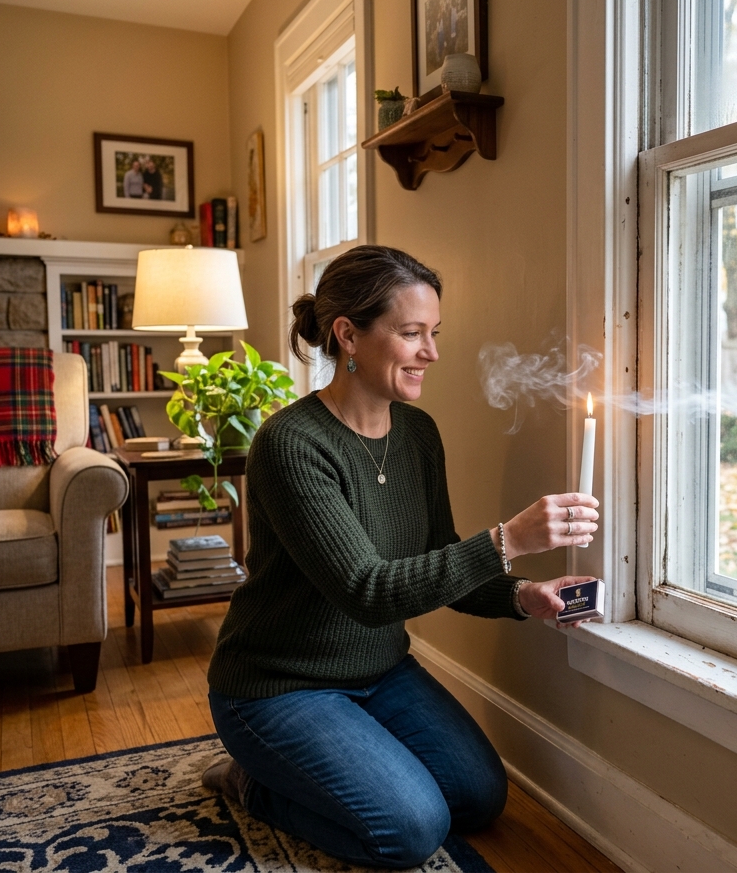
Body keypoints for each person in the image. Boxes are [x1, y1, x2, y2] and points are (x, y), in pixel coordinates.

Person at [203, 245, 599, 868]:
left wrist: (523, 595)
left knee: (478, 798)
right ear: (348, 335)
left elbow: (440, 563)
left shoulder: (417, 435)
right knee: (412, 831)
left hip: (381, 672)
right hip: (278, 686)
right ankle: (253, 781)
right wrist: (509, 539)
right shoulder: (290, 445)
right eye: (412, 334)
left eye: (434, 333)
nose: (431, 353)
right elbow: (369, 592)